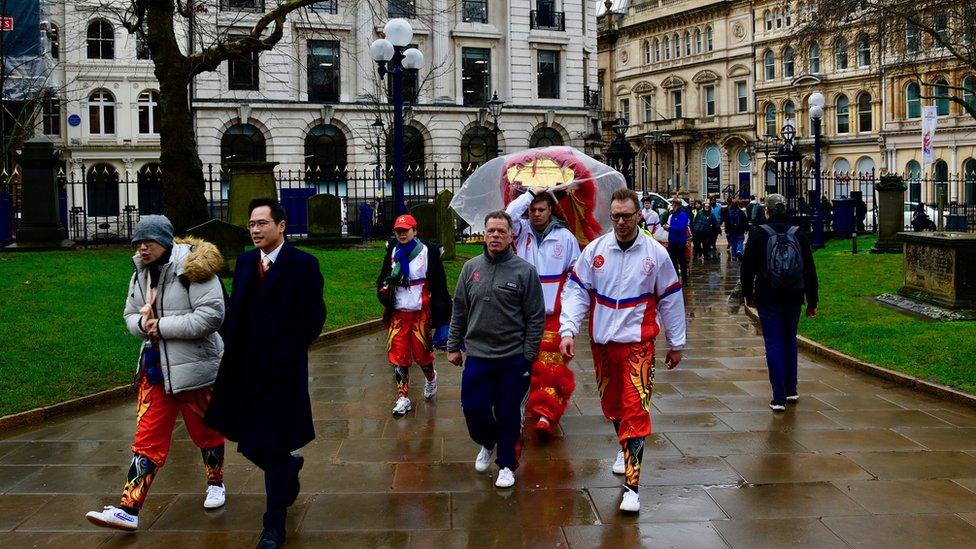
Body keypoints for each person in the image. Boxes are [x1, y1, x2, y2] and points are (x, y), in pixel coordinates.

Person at [86, 216, 227, 532]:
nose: (141, 247)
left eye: (147, 241)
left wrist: (159, 327)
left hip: (196, 369)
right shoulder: (139, 273)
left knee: (206, 433)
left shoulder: (195, 268)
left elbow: (212, 316)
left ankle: (216, 482)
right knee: (146, 439)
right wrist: (141, 325)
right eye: (137, 242)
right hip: (154, 370)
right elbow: (129, 315)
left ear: (165, 240)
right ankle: (128, 509)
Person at [205, 197, 325, 549]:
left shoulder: (303, 264)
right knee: (249, 443)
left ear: (281, 226)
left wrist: (285, 354)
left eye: (262, 224)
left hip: (280, 374)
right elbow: (236, 312)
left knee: (269, 442)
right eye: (251, 225)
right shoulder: (244, 263)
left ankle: (273, 526)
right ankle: (289, 469)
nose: (255, 230)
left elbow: (312, 319)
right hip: (243, 371)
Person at [558, 188, 686, 514]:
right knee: (613, 406)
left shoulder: (655, 254)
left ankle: (633, 485)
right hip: (602, 344)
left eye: (627, 216)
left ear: (638, 215)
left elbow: (670, 298)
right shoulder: (596, 251)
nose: (621, 222)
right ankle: (624, 445)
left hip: (638, 344)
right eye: (615, 216)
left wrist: (676, 342)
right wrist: (568, 329)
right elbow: (576, 290)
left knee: (634, 409)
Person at [447, 211, 545, 489]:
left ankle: (506, 464)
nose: (495, 236)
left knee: (508, 412)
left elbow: (536, 317)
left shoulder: (524, 271)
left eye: (501, 231)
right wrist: (453, 345)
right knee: (473, 408)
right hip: (477, 355)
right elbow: (460, 310)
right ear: (484, 233)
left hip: (512, 358)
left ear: (511, 235)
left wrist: (528, 355)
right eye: (491, 231)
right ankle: (488, 442)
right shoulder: (471, 268)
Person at [505, 187, 581, 438]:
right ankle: (532, 403)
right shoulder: (519, 231)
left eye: (541, 209)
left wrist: (569, 312)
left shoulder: (565, 237)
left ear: (551, 210)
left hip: (554, 312)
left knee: (551, 363)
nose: (536, 214)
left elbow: (575, 277)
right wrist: (529, 193)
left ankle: (547, 413)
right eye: (532, 210)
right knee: (528, 361)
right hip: (523, 312)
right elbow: (507, 216)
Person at [740, 194, 819, 413]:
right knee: (789, 341)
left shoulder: (758, 234)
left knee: (773, 343)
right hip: (794, 295)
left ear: (768, 211)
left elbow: (747, 268)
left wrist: (748, 294)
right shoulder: (798, 233)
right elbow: (809, 270)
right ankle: (792, 389)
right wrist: (812, 300)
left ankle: (778, 396)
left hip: (768, 295)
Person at [376, 213, 452, 415]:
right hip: (397, 314)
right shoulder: (392, 250)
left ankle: (430, 378)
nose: (401, 234)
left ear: (415, 231)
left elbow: (439, 284)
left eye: (405, 231)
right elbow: (383, 276)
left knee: (422, 355)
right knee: (398, 356)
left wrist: (443, 317)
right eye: (398, 231)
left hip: (420, 315)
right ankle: (403, 397)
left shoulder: (429, 252)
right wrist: (383, 292)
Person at [663, 198, 690, 283]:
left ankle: (685, 279)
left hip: (680, 242)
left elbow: (682, 228)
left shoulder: (683, 215)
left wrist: (670, 228)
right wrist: (667, 227)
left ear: (677, 206)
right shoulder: (672, 215)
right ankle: (675, 279)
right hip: (672, 242)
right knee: (673, 261)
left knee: (682, 261)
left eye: (673, 205)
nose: (672, 206)